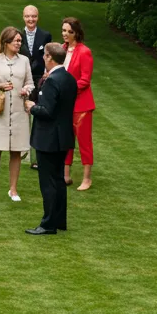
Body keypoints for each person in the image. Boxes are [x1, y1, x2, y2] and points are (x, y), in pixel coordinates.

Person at [24, 43, 78, 235]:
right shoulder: (69, 78)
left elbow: (46, 111)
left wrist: (31, 107)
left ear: (49, 57)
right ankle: (59, 220)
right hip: (63, 137)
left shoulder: (53, 80)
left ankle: (48, 224)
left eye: (45, 56)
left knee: (48, 182)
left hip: (48, 139)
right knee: (58, 180)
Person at [0, 28, 34, 202]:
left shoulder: (25, 61)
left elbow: (30, 83)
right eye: (16, 41)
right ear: (6, 42)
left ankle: (13, 189)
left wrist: (27, 89)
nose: (19, 43)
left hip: (19, 111)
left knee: (16, 152)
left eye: (20, 41)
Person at [61, 17, 95, 191]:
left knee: (84, 141)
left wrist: (68, 88)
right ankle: (65, 175)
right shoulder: (62, 49)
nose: (65, 34)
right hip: (65, 104)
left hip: (81, 104)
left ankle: (87, 178)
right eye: (64, 31)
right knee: (66, 139)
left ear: (77, 33)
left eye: (69, 31)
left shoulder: (84, 52)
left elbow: (85, 80)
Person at [20, 6, 52, 167]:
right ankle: (23, 154)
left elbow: (48, 57)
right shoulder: (17, 35)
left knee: (39, 116)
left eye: (33, 16)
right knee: (23, 115)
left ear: (38, 17)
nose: (30, 20)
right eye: (27, 16)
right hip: (23, 80)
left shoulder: (45, 35)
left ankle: (39, 157)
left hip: (40, 80)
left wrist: (47, 74)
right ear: (23, 17)